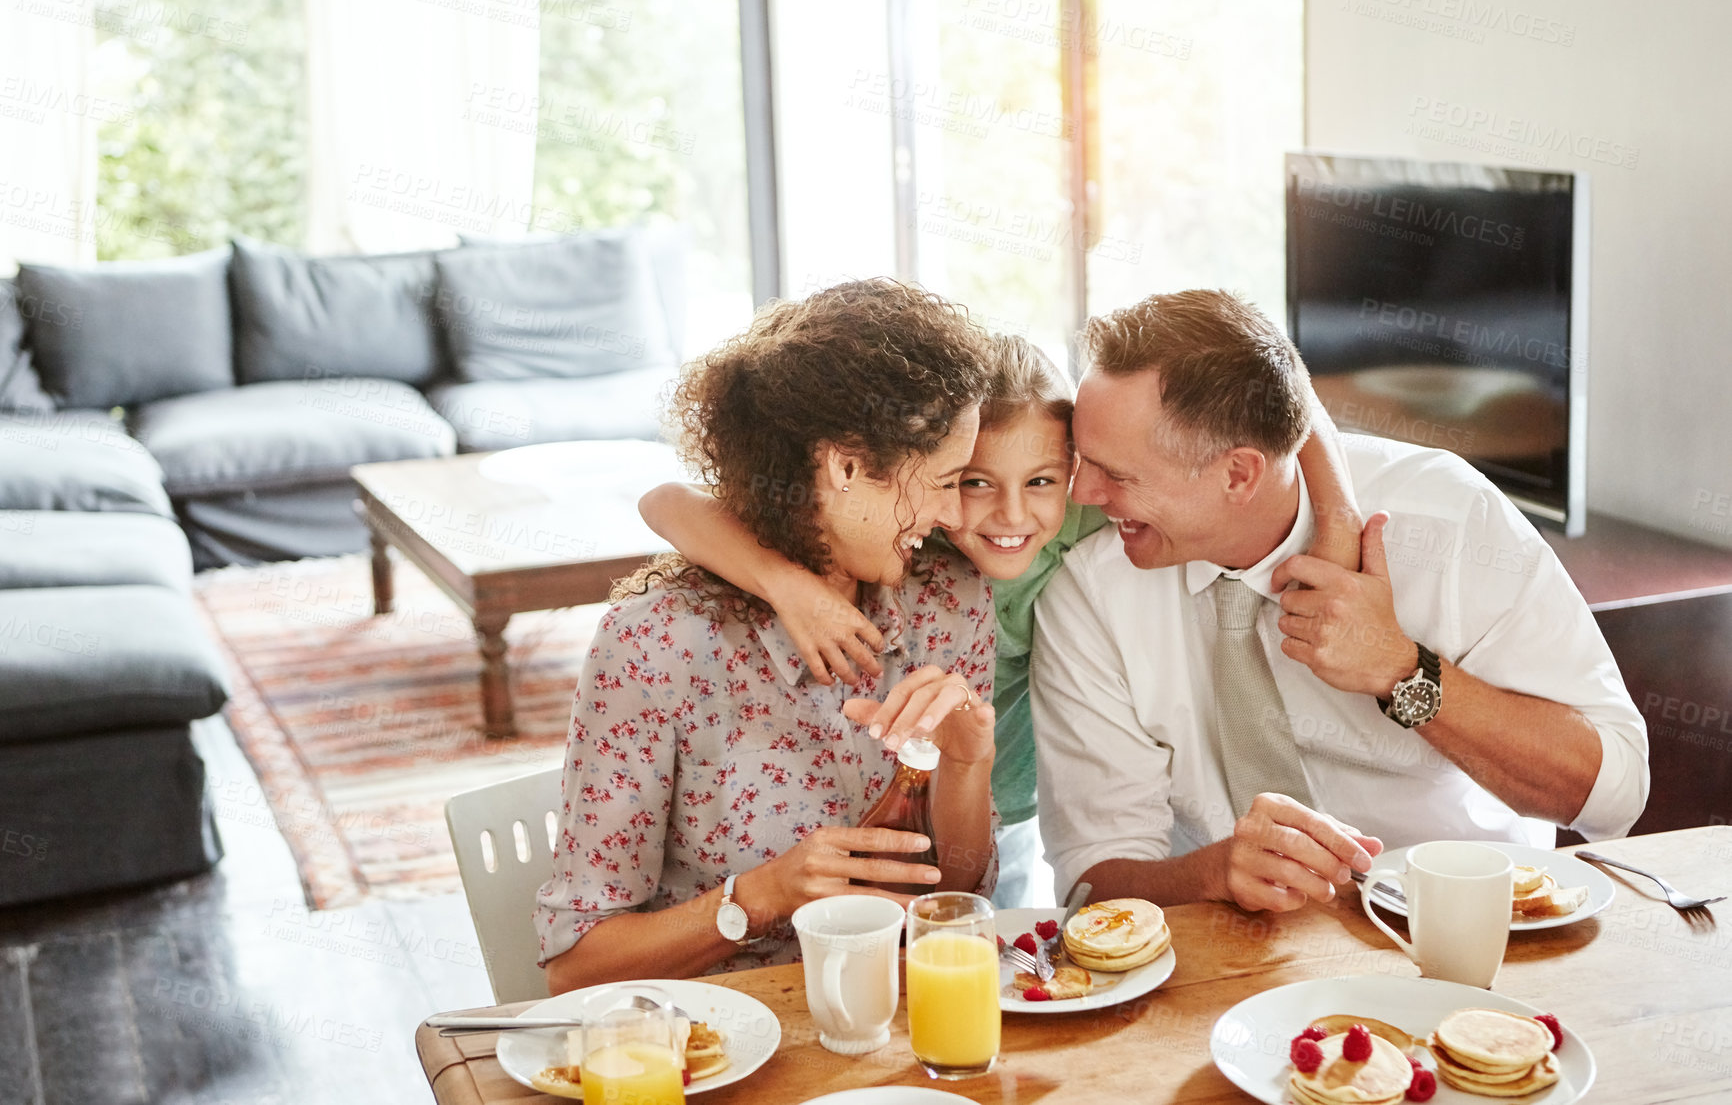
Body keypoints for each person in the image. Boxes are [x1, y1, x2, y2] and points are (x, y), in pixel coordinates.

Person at [641, 334, 1366, 908]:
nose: (1011, 516)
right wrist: (788, 585)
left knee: (1003, 934)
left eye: (1041, 482)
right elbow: (663, 501)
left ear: (1077, 471)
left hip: (1022, 807)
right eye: (973, 482)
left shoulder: (1094, 515)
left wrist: (1337, 518)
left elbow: (1277, 385)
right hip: (922, 799)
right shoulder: (914, 535)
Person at [1032, 289, 1650, 914]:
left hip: (1471, 933)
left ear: (1239, 474)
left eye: (1118, 473)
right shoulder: (1091, 592)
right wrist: (1213, 873)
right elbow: (1091, 883)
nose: (1081, 494)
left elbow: (1612, 794)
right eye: (1083, 460)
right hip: (1238, 960)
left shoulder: (1449, 521)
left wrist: (1402, 671)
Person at [536, 279, 1000, 994]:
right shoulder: (657, 645)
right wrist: (765, 896)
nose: (954, 516)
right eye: (941, 482)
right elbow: (576, 968)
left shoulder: (949, 600)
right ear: (846, 467)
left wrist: (967, 767)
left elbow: (949, 895)